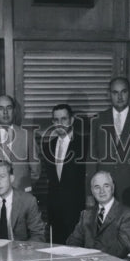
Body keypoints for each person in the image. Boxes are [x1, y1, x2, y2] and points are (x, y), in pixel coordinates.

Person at [87, 77, 130, 218]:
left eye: (123, 92)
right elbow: (91, 158)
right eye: (115, 92)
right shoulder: (98, 120)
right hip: (104, 190)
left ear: (129, 93)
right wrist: (89, 193)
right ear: (108, 94)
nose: (119, 97)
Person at [40, 103, 87, 240]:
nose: (60, 123)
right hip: (55, 211)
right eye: (56, 120)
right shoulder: (48, 146)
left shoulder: (84, 144)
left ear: (71, 120)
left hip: (77, 209)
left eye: (64, 119)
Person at [66, 171, 130, 259]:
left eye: (106, 186)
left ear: (113, 188)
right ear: (92, 191)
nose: (102, 191)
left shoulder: (127, 214)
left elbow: (123, 247)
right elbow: (73, 241)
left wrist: (92, 254)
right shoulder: (86, 214)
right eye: (97, 187)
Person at [0, 161, 46, 242]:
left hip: (20, 252)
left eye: (1, 177)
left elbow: (38, 235)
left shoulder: (28, 201)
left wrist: (24, 251)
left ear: (11, 178)